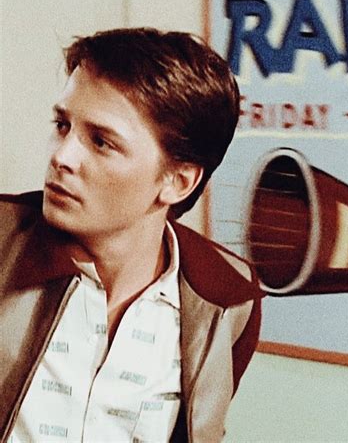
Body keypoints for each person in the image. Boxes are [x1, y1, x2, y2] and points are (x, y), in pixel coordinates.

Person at [0, 28, 263, 443]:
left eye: (102, 142)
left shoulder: (226, 298)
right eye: (63, 125)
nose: (61, 156)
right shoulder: (4, 244)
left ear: (178, 181)